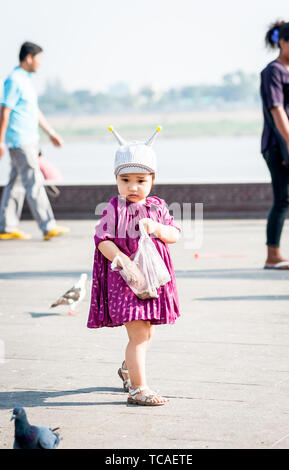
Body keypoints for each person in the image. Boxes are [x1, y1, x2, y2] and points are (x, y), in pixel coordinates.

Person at [87, 126, 181, 406]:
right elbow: (102, 239)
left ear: (152, 180)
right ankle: (139, 389)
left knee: (147, 331)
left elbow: (175, 235)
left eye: (140, 180)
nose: (133, 186)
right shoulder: (113, 208)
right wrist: (124, 261)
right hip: (125, 280)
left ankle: (127, 369)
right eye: (125, 179)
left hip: (153, 279)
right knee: (139, 333)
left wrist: (157, 228)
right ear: (116, 180)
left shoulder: (158, 207)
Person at [0, 41, 69, 240]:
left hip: (27, 139)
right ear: (29, 58)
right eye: (38, 59)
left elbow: (34, 112)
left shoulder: (25, 81)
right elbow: (5, 111)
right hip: (20, 140)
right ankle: (48, 226)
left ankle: (6, 226)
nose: (40, 63)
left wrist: (51, 132)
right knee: (34, 181)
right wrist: (1, 141)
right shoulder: (13, 80)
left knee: (16, 182)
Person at [260, 21, 289, 269]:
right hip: (278, 145)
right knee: (284, 199)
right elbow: (277, 110)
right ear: (282, 42)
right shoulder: (272, 71)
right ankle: (272, 254)